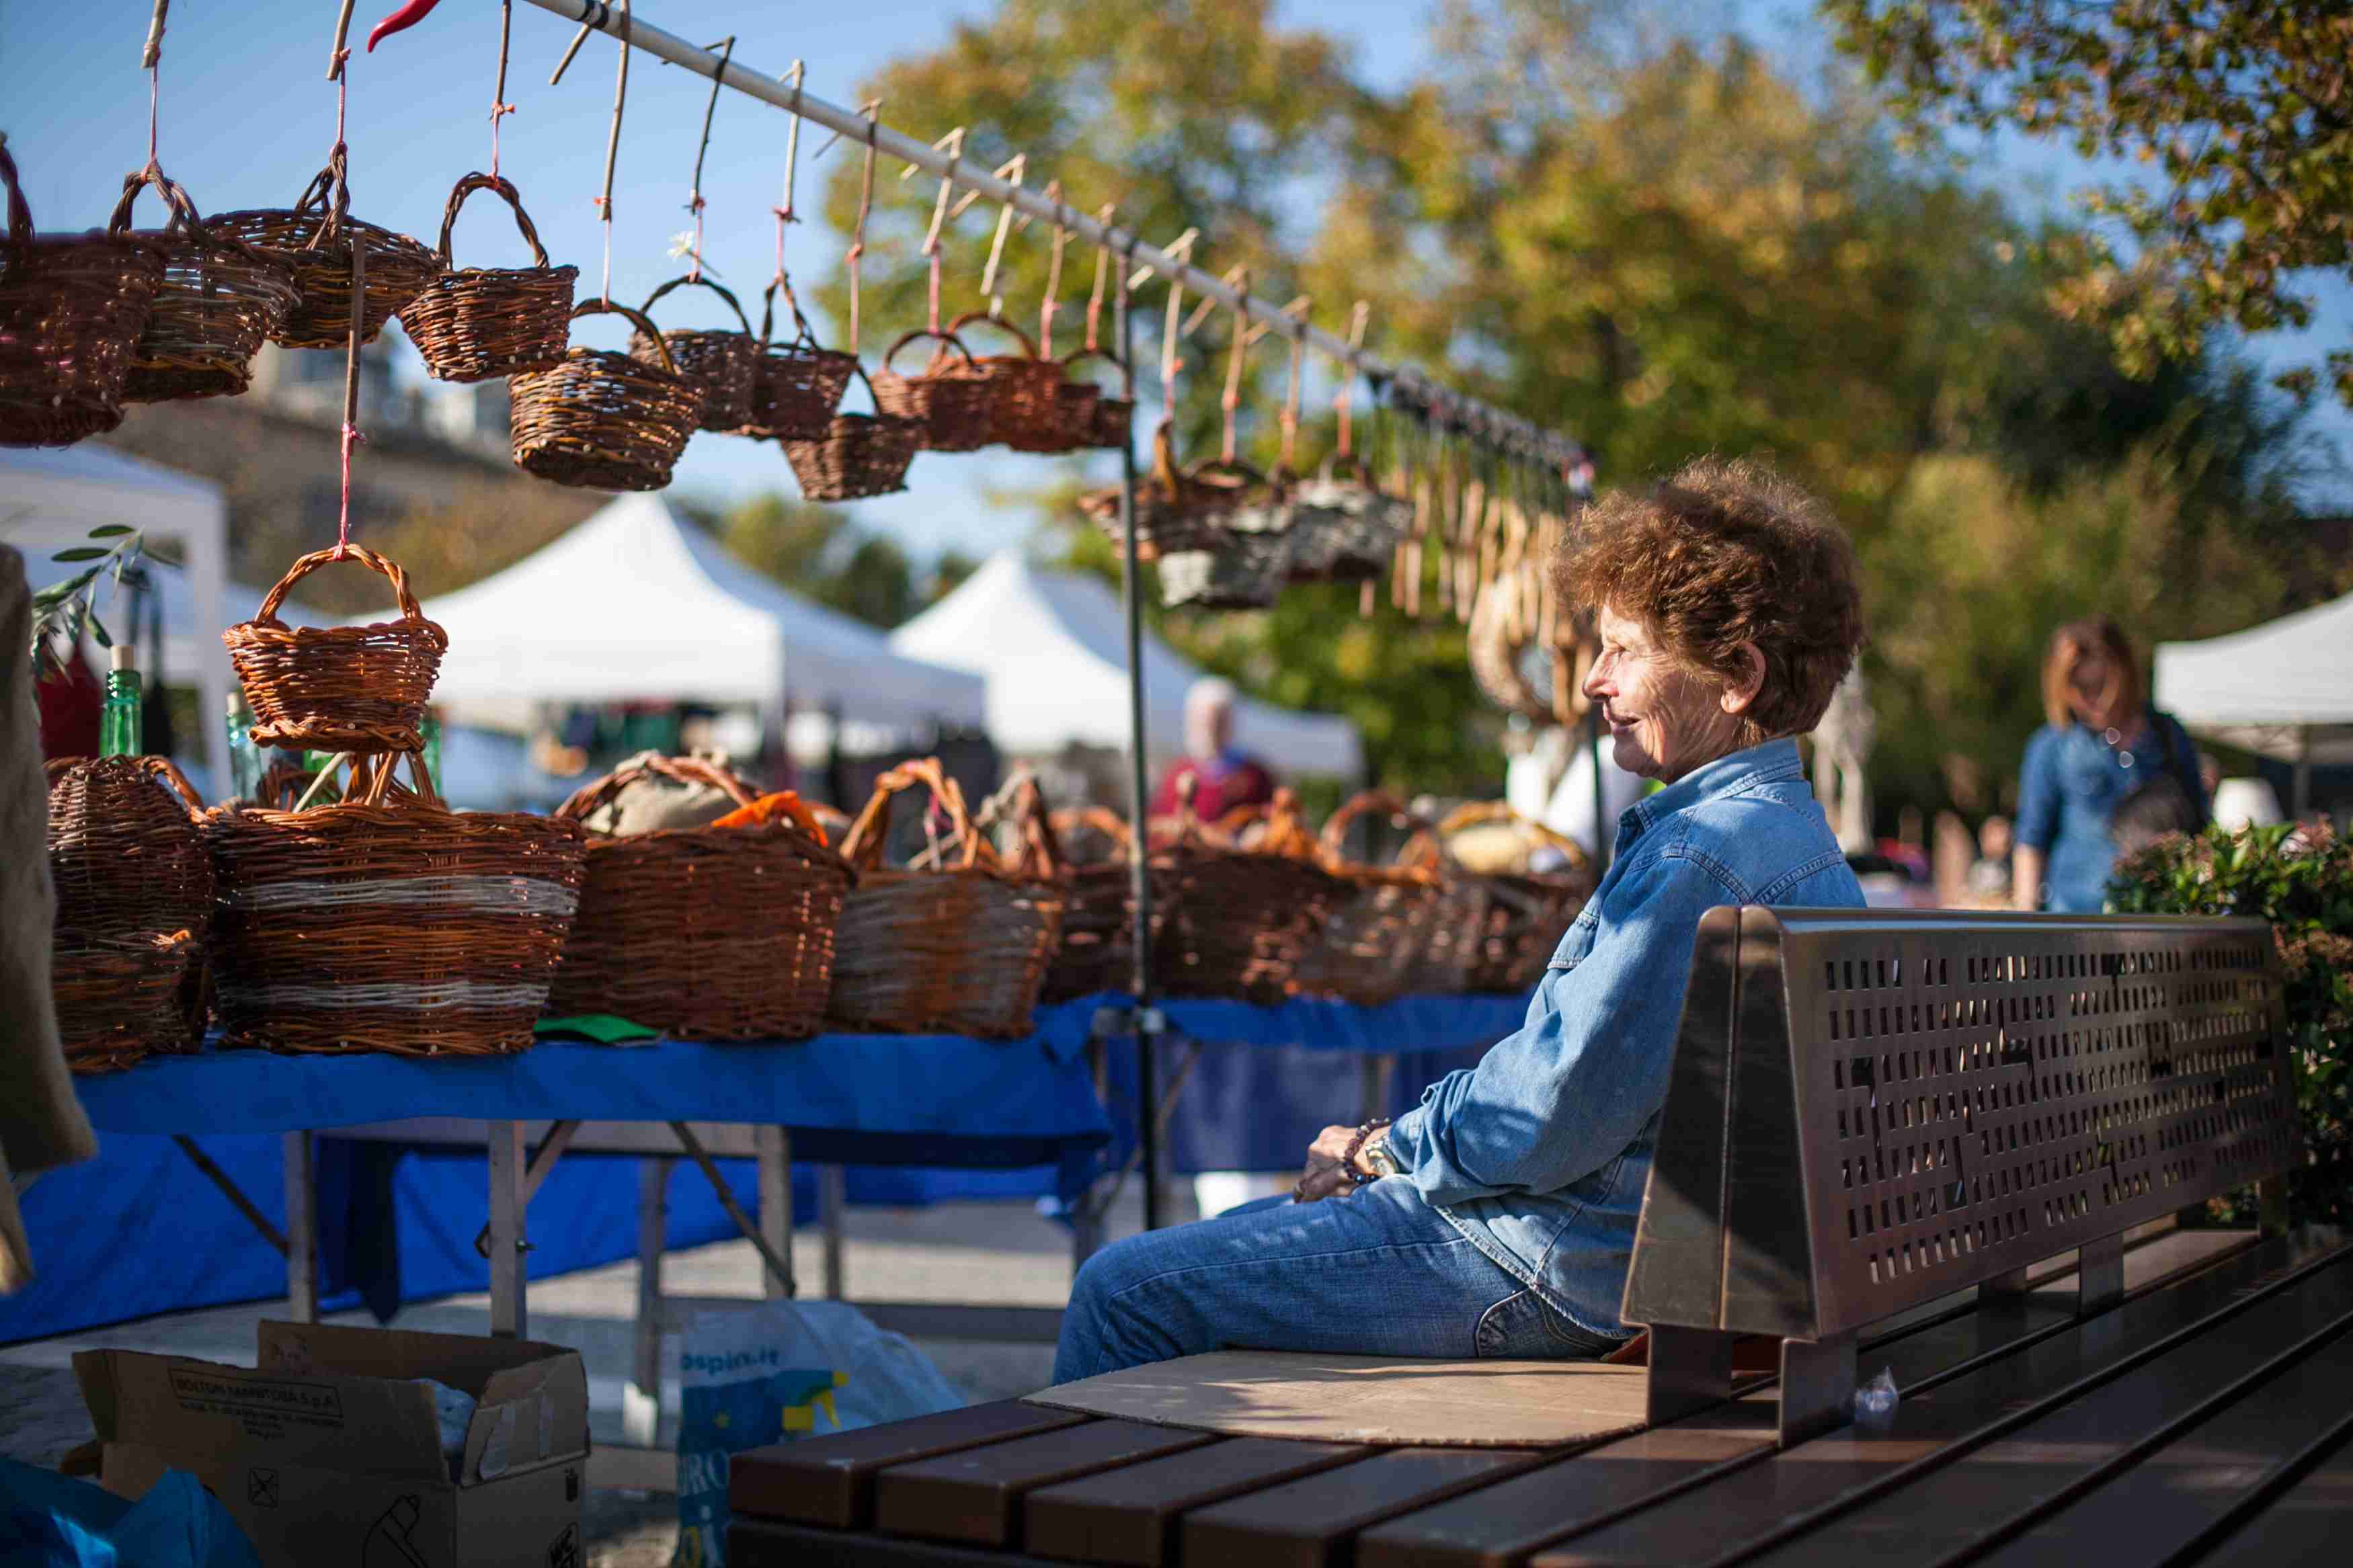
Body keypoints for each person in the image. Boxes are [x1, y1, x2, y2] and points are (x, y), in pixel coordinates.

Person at [1053, 456, 1869, 1381]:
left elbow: (1548, 1116)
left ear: (1738, 678)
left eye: (1624, 650)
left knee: (1121, 1290)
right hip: (1621, 1260)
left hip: (1556, 1268)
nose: (1593, 681)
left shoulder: (1697, 860)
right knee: (1231, 1237)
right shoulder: (1800, 845)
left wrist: (1381, 1147)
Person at [2012, 616, 2209, 912]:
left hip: (2161, 913)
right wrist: (2025, 922)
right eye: (2080, 686)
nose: (2094, 699)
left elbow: (2201, 822)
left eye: (2102, 684)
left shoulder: (2166, 733)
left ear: (2125, 672)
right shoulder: (2052, 746)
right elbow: (2031, 840)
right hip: (2079, 916)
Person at [1151, 677, 1277, 823]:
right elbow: (1159, 825)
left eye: (1218, 720)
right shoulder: (1176, 774)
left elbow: (1270, 821)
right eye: (1204, 720)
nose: (1211, 728)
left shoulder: (1254, 776)